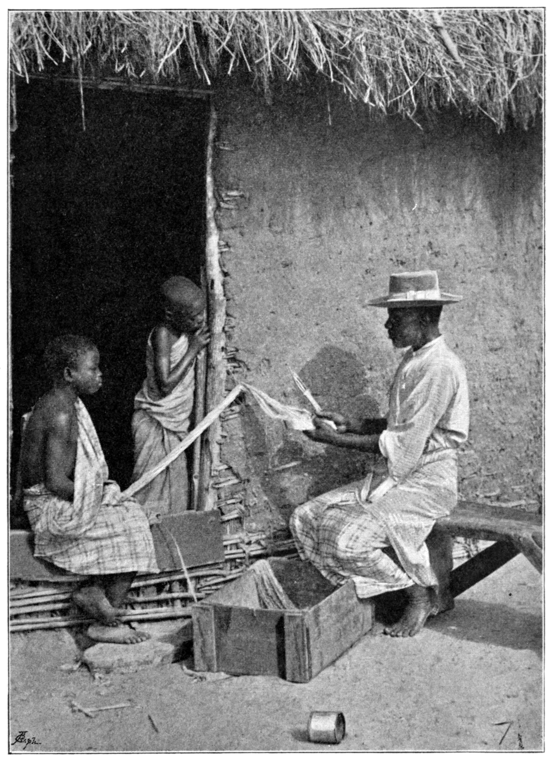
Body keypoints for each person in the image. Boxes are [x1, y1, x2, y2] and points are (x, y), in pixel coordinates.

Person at [290, 270, 469, 637]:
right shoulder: (416, 360)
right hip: (398, 473)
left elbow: (405, 445)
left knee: (345, 540)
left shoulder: (439, 367)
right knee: (306, 517)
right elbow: (400, 424)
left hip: (427, 480)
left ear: (421, 319)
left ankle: (419, 594)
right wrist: (352, 423)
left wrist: (330, 440)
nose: (387, 325)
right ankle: (377, 594)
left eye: (395, 317)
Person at [19, 334, 159, 644]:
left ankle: (96, 593)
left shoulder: (66, 403)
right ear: (69, 374)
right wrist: (98, 497)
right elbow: (55, 482)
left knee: (128, 511)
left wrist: (100, 494)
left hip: (56, 497)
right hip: (49, 509)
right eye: (93, 369)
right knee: (133, 523)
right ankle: (105, 619)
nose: (99, 375)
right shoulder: (60, 413)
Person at [131, 276, 210, 514]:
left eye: (202, 312)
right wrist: (194, 349)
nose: (201, 319)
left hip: (174, 425)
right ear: (170, 314)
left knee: (175, 491)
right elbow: (165, 384)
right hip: (155, 423)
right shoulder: (163, 334)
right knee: (150, 489)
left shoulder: (188, 332)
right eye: (193, 316)